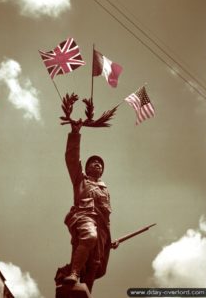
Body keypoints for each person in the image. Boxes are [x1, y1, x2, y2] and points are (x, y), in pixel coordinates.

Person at [62, 120, 118, 292]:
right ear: (87, 167)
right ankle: (73, 272)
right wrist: (75, 133)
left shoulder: (105, 190)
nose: (97, 164)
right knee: (89, 236)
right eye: (93, 162)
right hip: (84, 217)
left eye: (100, 164)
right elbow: (72, 158)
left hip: (102, 227)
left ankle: (86, 292)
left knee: (95, 263)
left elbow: (106, 218)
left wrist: (109, 240)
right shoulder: (81, 179)